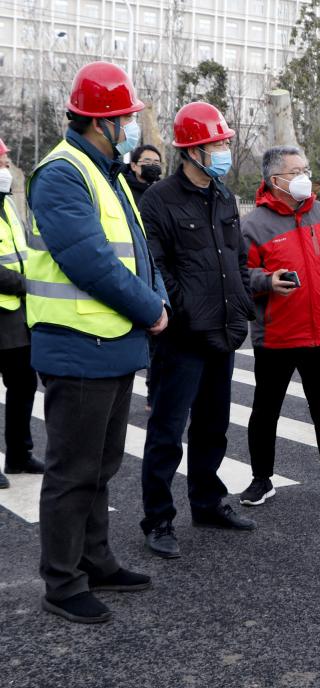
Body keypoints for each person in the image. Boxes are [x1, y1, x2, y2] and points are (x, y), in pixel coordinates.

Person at [26, 61, 168, 624]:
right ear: (100, 121)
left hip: (110, 342)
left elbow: (137, 251)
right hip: (78, 343)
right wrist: (149, 308)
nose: (132, 126)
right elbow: (89, 261)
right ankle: (62, 583)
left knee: (102, 464)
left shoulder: (105, 171)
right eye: (125, 117)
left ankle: (96, 559)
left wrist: (158, 298)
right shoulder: (62, 172)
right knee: (73, 470)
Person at [138, 102, 256, 559]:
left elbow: (237, 258)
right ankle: (158, 518)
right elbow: (156, 265)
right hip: (182, 337)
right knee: (167, 432)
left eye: (224, 142)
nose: (224, 150)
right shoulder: (159, 199)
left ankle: (207, 502)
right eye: (217, 144)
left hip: (222, 332)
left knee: (213, 427)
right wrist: (183, 309)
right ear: (192, 151)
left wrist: (241, 302)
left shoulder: (223, 196)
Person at [238, 146, 320, 507]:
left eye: (305, 170)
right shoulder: (254, 224)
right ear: (274, 180)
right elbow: (240, 273)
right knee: (266, 409)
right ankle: (261, 479)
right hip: (276, 334)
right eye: (294, 172)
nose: (303, 177)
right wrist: (265, 281)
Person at [0, 137, 43, 490]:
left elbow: (22, 248)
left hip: (16, 316)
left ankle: (18, 454)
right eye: (1, 163)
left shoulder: (8, 204)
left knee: (24, 383)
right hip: (10, 301)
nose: (6, 169)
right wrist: (24, 284)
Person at [124, 144, 163, 411]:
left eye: (157, 162)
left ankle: (154, 393)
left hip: (156, 269)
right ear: (134, 165)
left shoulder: (160, 193)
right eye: (147, 161)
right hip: (133, 271)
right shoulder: (123, 190)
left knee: (159, 340)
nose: (153, 166)